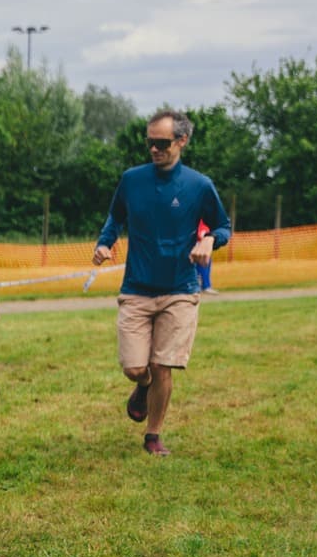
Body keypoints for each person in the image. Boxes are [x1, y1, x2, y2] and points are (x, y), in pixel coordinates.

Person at [91, 109, 231, 458]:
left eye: (162, 143)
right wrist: (105, 243)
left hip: (180, 290)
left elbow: (224, 226)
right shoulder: (132, 180)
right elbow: (115, 217)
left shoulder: (199, 186)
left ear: (182, 141)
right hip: (137, 288)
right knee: (136, 368)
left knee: (162, 364)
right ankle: (143, 385)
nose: (154, 149)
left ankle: (153, 435)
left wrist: (210, 240)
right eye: (149, 142)